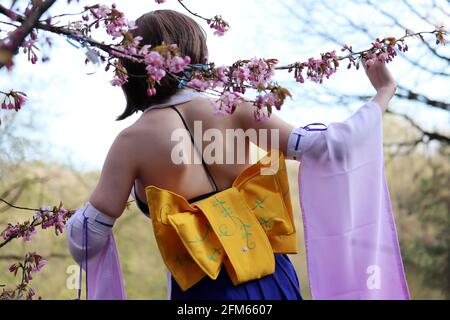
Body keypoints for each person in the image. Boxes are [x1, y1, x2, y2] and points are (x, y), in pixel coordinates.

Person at [66, 9, 409, 300]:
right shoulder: (236, 108)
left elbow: (87, 239)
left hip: (202, 291)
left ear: (131, 68)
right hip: (274, 279)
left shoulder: (130, 142)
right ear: (195, 52)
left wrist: (74, 219)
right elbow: (329, 148)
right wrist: (383, 93)